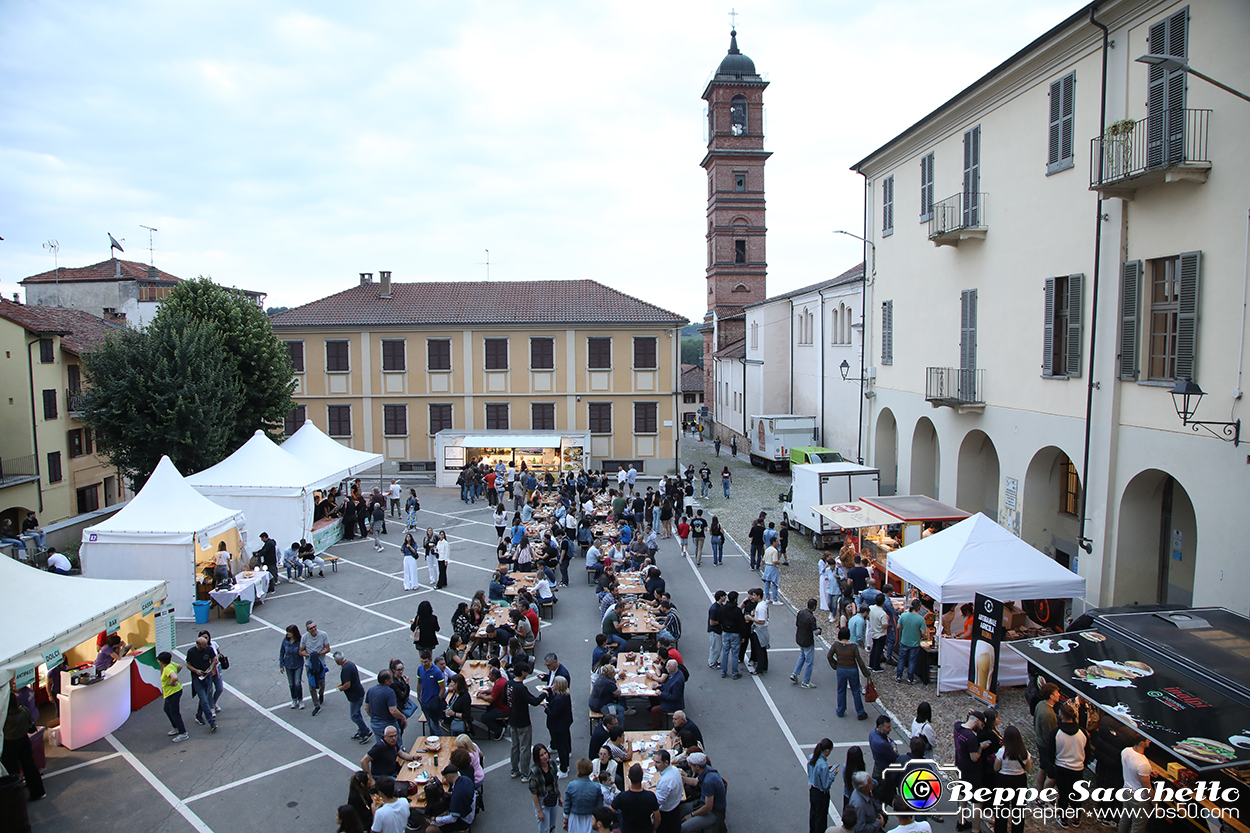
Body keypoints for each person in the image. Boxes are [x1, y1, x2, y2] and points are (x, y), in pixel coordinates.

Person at [507, 662, 547, 781]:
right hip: (522, 721)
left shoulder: (508, 684)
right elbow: (533, 701)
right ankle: (525, 773)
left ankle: (514, 770)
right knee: (525, 747)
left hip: (511, 719)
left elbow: (505, 701)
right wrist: (543, 694)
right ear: (522, 672)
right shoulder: (521, 688)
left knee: (514, 746)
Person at [953, 711, 988, 832]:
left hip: (960, 766)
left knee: (962, 794)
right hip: (972, 772)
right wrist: (981, 747)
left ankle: (961, 821)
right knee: (977, 802)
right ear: (977, 721)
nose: (981, 728)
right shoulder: (972, 737)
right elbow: (974, 758)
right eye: (982, 725)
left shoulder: (957, 726)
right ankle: (975, 830)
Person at [1052, 703, 1086, 827]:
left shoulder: (1056, 732)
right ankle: (1076, 818)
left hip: (1061, 767)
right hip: (1077, 768)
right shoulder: (1082, 733)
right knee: (1077, 794)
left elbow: (1051, 751)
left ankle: (1064, 818)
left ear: (1061, 715)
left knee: (1064, 794)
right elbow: (1087, 751)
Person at [992, 725, 1031, 833]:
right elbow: (1028, 769)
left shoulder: (1002, 752)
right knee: (1018, 811)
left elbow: (996, 767)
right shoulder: (1024, 753)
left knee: (1001, 811)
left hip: (1003, 781)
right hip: (1020, 781)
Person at [828, 626, 870, 719]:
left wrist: (835, 665)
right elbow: (859, 660)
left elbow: (829, 656)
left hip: (841, 669)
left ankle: (840, 710)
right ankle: (860, 712)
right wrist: (865, 672)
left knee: (841, 690)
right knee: (855, 691)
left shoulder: (836, 645)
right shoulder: (853, 646)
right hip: (852, 670)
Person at [678, 752, 725, 832]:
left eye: (691, 765)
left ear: (697, 767)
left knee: (684, 828)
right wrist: (680, 777)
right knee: (679, 810)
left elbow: (708, 807)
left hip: (713, 812)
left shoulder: (708, 782)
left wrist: (691, 815)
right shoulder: (706, 769)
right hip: (702, 803)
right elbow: (696, 782)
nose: (689, 765)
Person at [424, 763, 476, 833]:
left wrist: (436, 819)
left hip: (464, 820)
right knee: (443, 812)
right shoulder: (466, 780)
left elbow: (452, 819)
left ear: (448, 776)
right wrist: (450, 794)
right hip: (470, 811)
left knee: (429, 830)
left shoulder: (457, 797)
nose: (445, 779)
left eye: (445, 777)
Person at [334, 651, 371, 743]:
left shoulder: (345, 669)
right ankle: (362, 730)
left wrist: (340, 688)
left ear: (337, 661)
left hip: (355, 695)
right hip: (358, 693)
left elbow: (347, 685)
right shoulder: (350, 664)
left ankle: (366, 731)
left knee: (354, 716)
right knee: (357, 714)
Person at [184, 635, 219, 731]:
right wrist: (196, 671)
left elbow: (213, 660)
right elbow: (187, 664)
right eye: (204, 645)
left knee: (203, 698)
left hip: (206, 676)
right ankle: (211, 722)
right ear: (198, 645)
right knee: (204, 699)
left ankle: (199, 715)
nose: (206, 646)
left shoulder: (209, 649)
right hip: (197, 678)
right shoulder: (191, 652)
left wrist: (210, 669)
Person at [364, 669, 406, 747]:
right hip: (388, 724)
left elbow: (366, 708)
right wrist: (402, 717)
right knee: (397, 747)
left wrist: (374, 717)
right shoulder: (389, 692)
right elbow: (393, 711)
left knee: (381, 747)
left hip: (375, 724)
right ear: (386, 681)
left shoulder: (371, 690)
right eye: (391, 678)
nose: (392, 680)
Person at [615, 763, 660, 833]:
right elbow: (658, 818)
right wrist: (654, 829)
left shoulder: (622, 797)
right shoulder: (650, 796)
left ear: (629, 777)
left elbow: (609, 811)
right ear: (642, 778)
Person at [156, 652, 189, 744]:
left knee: (175, 713)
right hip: (174, 692)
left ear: (162, 661)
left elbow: (174, 677)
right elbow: (179, 667)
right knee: (167, 709)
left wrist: (170, 683)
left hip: (172, 693)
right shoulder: (172, 664)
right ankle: (176, 727)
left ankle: (183, 732)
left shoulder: (167, 669)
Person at [565, 757, 605, 833]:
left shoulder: (572, 785)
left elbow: (567, 805)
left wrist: (566, 819)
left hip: (575, 818)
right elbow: (599, 806)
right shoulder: (596, 787)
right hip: (591, 818)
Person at [300, 620, 331, 716]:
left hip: (321, 663)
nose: (313, 629)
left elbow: (328, 648)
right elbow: (300, 651)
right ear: (307, 630)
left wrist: (319, 654)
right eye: (311, 628)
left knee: (321, 682)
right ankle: (316, 705)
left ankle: (321, 694)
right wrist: (309, 655)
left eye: (314, 627)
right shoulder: (305, 637)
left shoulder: (323, 635)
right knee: (311, 684)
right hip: (309, 664)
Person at [530, 743, 563, 833]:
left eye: (545, 753)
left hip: (553, 797)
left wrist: (559, 797)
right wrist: (539, 811)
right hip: (542, 801)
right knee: (544, 830)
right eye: (541, 755)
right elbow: (533, 792)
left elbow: (555, 782)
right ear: (537, 758)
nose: (545, 756)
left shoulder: (552, 764)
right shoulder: (535, 771)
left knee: (552, 827)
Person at [808, 739, 840, 833]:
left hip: (813, 790)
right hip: (821, 795)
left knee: (813, 814)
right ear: (827, 751)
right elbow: (826, 785)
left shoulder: (812, 758)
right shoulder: (823, 766)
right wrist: (833, 775)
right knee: (821, 818)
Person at [414, 650, 447, 735]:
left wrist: (437, 701)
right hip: (424, 701)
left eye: (425, 662)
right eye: (422, 661)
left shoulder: (437, 672)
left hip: (433, 702)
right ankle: (433, 740)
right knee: (430, 723)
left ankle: (441, 740)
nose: (423, 664)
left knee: (434, 725)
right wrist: (418, 695)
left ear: (430, 659)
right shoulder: (420, 669)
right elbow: (419, 682)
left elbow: (442, 689)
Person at [896, 599, 929, 684]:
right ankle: (910, 677)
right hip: (914, 642)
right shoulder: (921, 619)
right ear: (918, 608)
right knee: (912, 660)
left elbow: (898, 626)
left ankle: (899, 675)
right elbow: (924, 632)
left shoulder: (904, 615)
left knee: (902, 659)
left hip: (904, 640)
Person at [652, 749, 684, 833]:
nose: (655, 765)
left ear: (666, 763)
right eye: (655, 762)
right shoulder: (674, 769)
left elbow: (657, 803)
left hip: (667, 814)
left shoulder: (665, 781)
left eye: (658, 763)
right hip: (676, 807)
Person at [791, 599, 821, 689]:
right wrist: (820, 630)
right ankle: (806, 681)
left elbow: (797, 624)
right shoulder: (811, 618)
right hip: (807, 641)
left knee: (802, 655)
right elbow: (815, 632)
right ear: (814, 607)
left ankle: (795, 673)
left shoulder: (801, 613)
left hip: (799, 638)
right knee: (809, 662)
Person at [718, 591, 745, 679]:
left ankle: (723, 672)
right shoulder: (737, 611)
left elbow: (719, 619)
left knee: (725, 652)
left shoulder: (722, 608)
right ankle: (734, 673)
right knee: (735, 653)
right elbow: (741, 624)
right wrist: (743, 635)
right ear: (735, 599)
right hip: (735, 633)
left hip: (726, 632)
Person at [279, 624, 305, 709]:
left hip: (298, 664)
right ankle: (294, 699)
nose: (287, 634)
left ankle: (300, 700)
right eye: (287, 632)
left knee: (297, 683)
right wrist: (281, 665)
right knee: (291, 684)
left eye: (289, 632)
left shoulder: (299, 641)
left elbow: (304, 650)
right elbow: (282, 653)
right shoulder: (285, 641)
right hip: (288, 664)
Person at [867, 594, 890, 672]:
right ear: (883, 602)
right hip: (881, 633)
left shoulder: (871, 608)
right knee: (878, 650)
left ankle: (871, 664)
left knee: (874, 648)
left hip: (873, 632)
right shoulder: (883, 614)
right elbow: (884, 626)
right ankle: (876, 666)